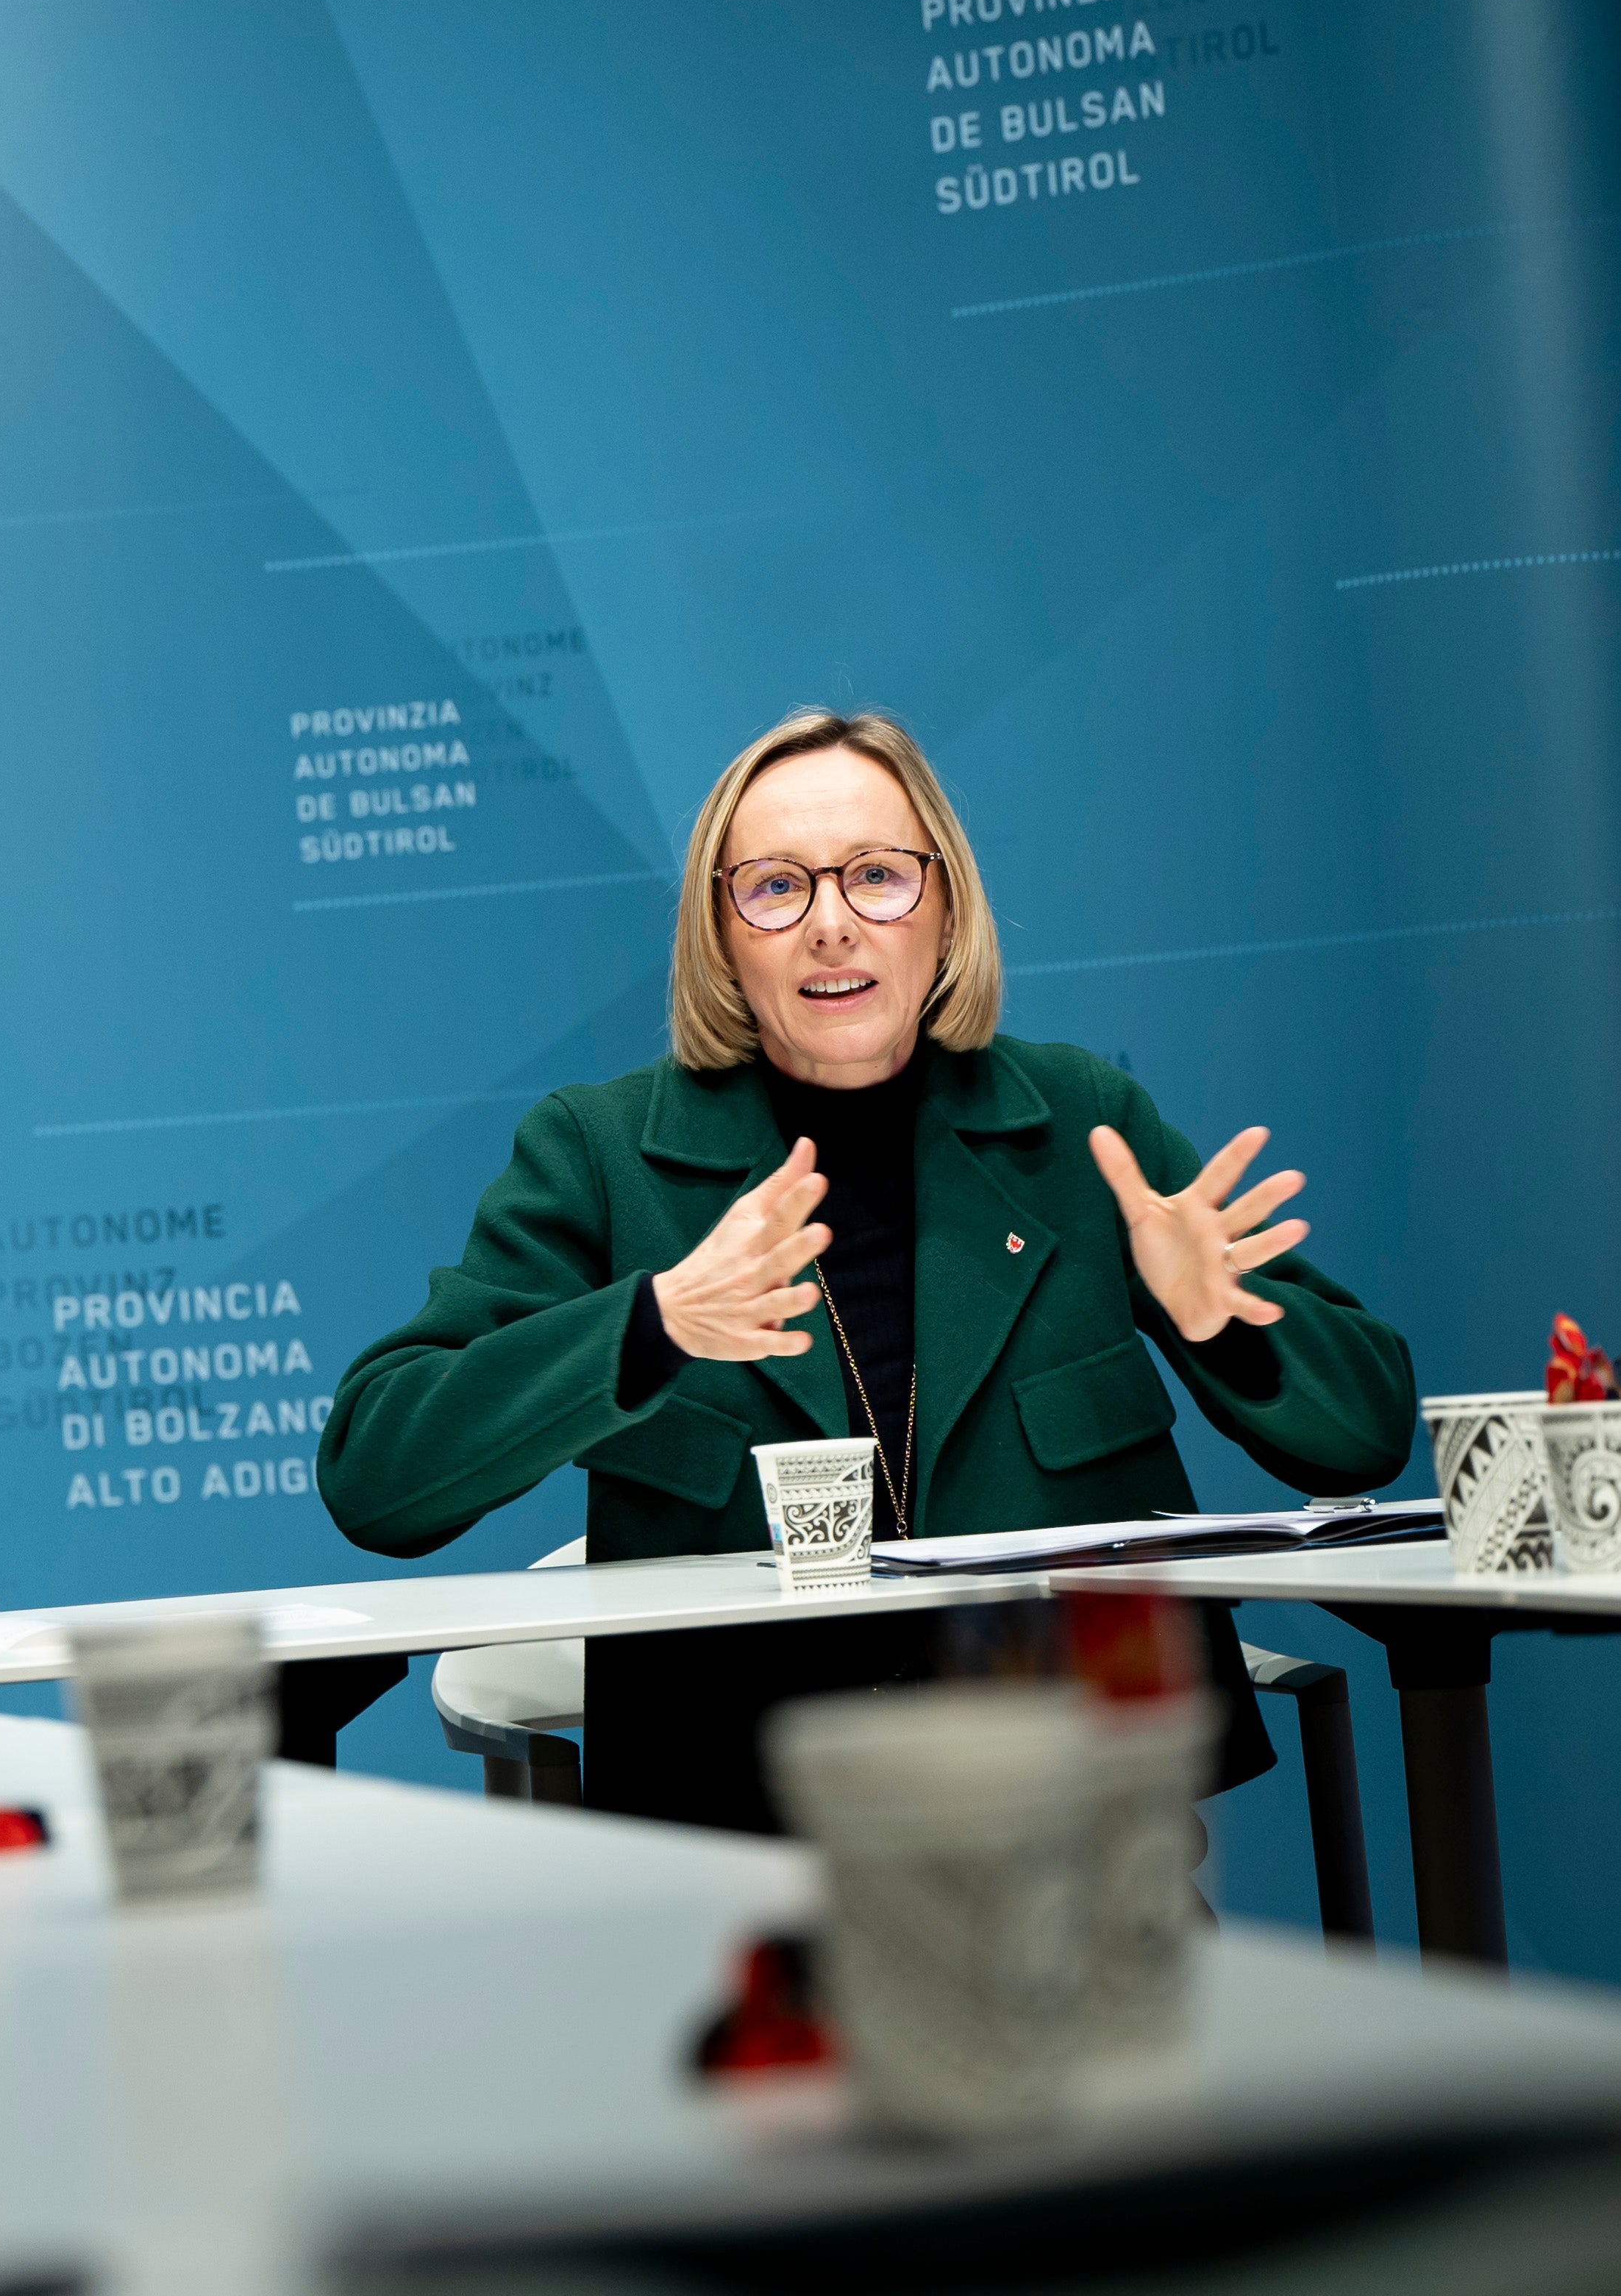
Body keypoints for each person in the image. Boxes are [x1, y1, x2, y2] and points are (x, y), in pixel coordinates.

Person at [318, 708, 1417, 1830]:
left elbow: (1365, 1431)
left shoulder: (1078, 1127)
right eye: (776, 887)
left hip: (1073, 1823)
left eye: (878, 877)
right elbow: (376, 1474)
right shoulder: (600, 1156)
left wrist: (1221, 1322)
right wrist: (652, 1322)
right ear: (721, 932)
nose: (830, 925)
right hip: (742, 1840)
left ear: (942, 910)